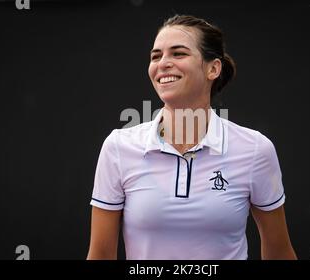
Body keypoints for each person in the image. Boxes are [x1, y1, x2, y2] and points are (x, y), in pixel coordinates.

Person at [87, 14, 297, 260]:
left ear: (213, 68)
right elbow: (100, 254)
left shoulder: (256, 150)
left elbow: (279, 252)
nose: (163, 63)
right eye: (156, 56)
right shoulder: (118, 147)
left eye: (178, 53)